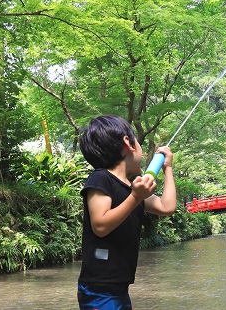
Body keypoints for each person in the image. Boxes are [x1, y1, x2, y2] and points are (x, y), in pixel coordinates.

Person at [77, 115, 177, 310]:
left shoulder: (131, 189)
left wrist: (168, 168)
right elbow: (100, 225)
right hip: (99, 288)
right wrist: (135, 197)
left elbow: (167, 207)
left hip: (120, 287)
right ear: (128, 143)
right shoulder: (100, 178)